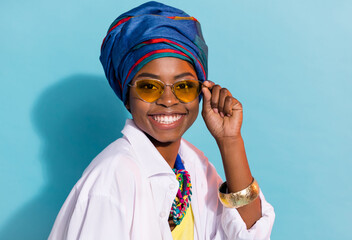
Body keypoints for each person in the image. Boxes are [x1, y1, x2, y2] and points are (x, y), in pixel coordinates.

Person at [49, 1, 275, 239]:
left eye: (185, 86)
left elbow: (249, 234)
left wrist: (230, 141)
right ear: (127, 98)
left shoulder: (192, 167)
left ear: (201, 93)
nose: (168, 100)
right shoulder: (113, 178)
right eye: (149, 87)